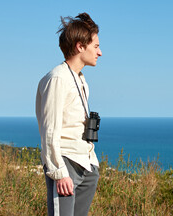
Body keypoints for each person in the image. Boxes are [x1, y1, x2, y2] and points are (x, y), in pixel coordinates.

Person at [35, 12, 102, 216]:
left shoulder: (80, 80)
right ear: (80, 46)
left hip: (85, 163)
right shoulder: (58, 78)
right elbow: (50, 130)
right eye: (96, 46)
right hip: (66, 164)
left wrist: (93, 166)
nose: (100, 53)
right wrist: (59, 172)